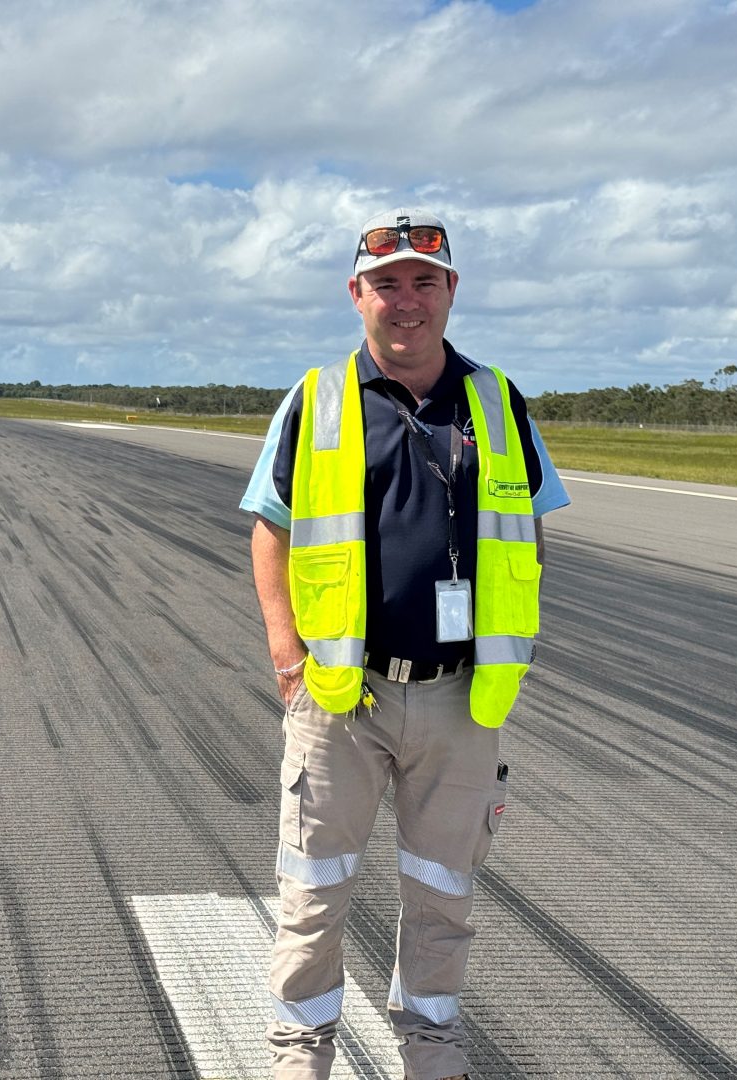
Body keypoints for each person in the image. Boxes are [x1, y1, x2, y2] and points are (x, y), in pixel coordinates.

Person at [240, 208, 570, 1080]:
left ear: (451, 292)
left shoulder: (499, 401)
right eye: (387, 283)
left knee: (443, 894)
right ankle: (300, 1052)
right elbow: (270, 531)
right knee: (313, 892)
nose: (407, 300)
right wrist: (288, 660)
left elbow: (530, 529)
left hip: (462, 696)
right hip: (343, 693)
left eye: (425, 281)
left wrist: (510, 646)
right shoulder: (316, 400)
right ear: (358, 295)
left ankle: (431, 1047)